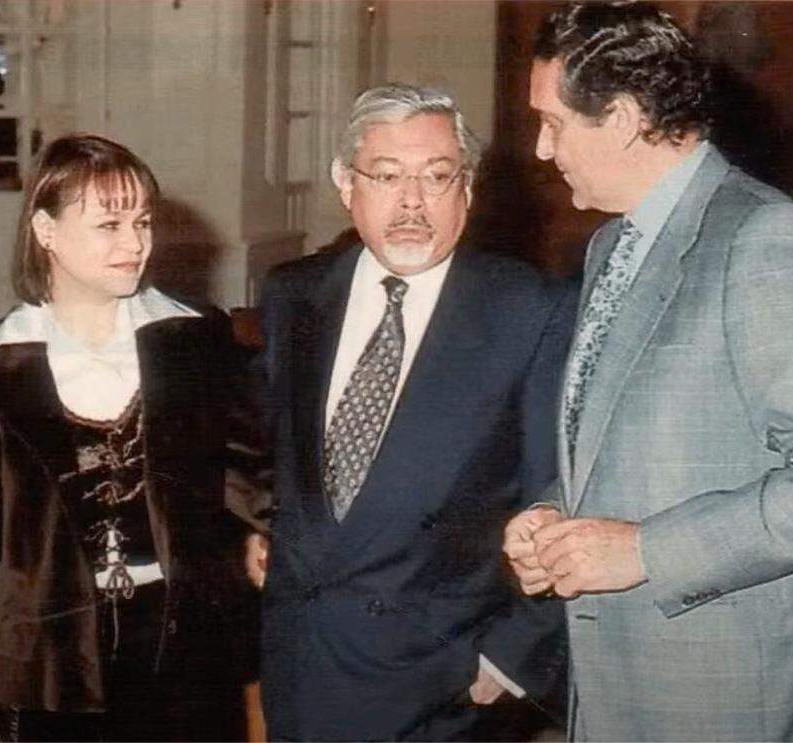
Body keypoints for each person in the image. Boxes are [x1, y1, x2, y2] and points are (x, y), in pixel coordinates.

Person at [503, 3, 793, 740]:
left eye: (553, 122)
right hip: (619, 685)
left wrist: (644, 550)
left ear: (620, 119)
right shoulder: (612, 245)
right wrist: (556, 515)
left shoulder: (764, 241)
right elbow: (640, 441)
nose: (540, 149)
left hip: (728, 700)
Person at [248, 82, 577, 740]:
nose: (411, 203)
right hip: (301, 661)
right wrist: (260, 528)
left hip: (441, 683)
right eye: (386, 175)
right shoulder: (295, 295)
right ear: (346, 183)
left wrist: (509, 656)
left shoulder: (529, 309)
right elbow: (262, 449)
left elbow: (563, 488)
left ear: (469, 187)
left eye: (436, 176)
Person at [0, 134, 255, 742]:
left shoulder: (197, 340)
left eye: (143, 221)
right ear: (45, 229)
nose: (135, 243)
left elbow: (249, 484)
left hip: (186, 662)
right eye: (109, 224)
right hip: (45, 669)